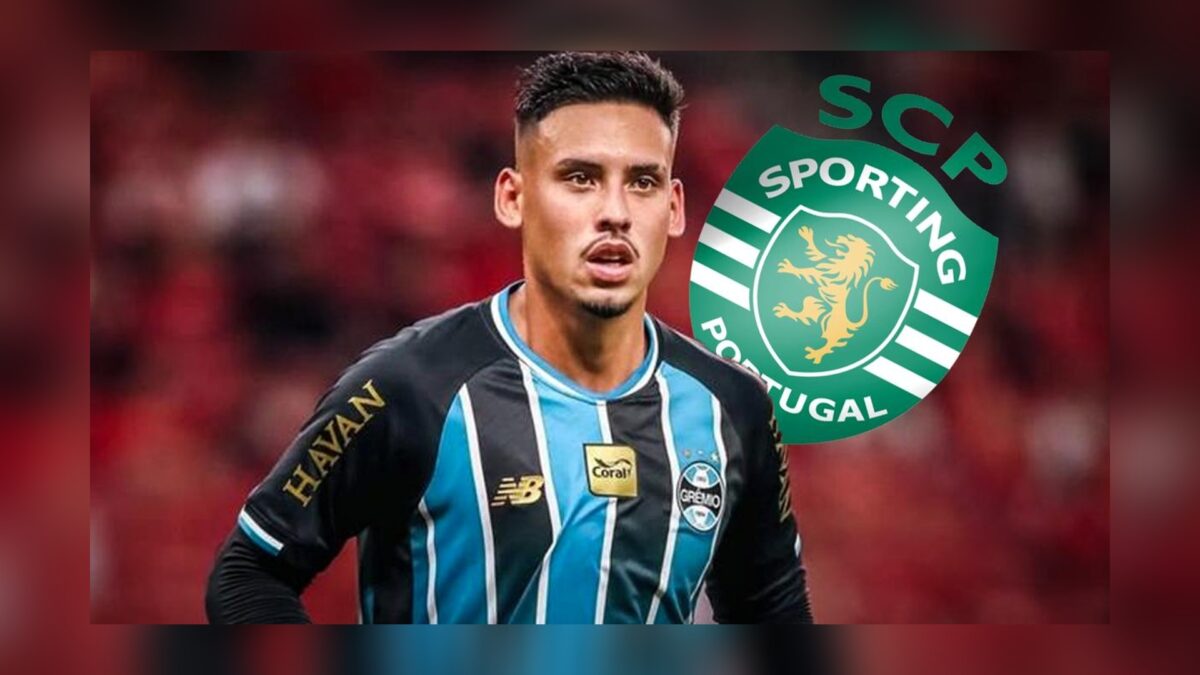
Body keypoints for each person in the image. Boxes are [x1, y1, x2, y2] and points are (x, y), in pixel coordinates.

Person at [206, 51, 812, 624]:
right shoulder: (409, 387)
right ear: (513, 198)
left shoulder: (733, 408)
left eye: (643, 182)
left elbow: (774, 612)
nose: (615, 212)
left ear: (674, 209)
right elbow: (249, 574)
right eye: (580, 178)